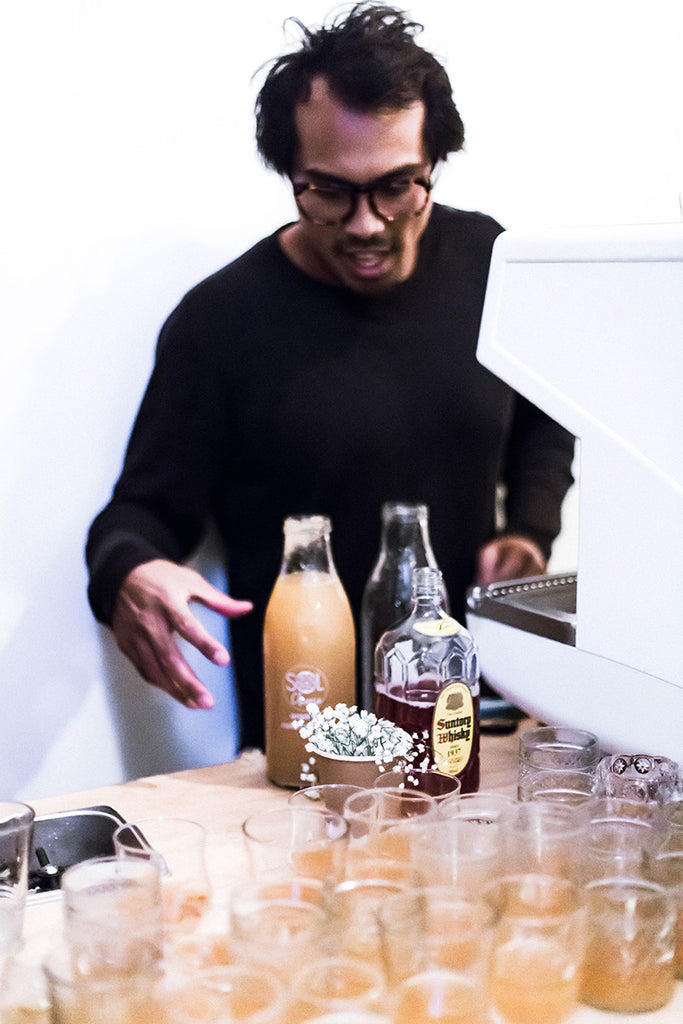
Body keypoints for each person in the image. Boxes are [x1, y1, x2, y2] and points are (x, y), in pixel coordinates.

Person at [86, 3, 575, 750]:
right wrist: (128, 571)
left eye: (396, 186)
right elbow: (142, 512)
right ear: (290, 173)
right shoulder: (220, 321)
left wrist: (529, 530)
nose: (366, 224)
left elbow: (546, 411)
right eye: (329, 192)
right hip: (307, 735)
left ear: (433, 162)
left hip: (465, 715)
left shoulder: (491, 264)